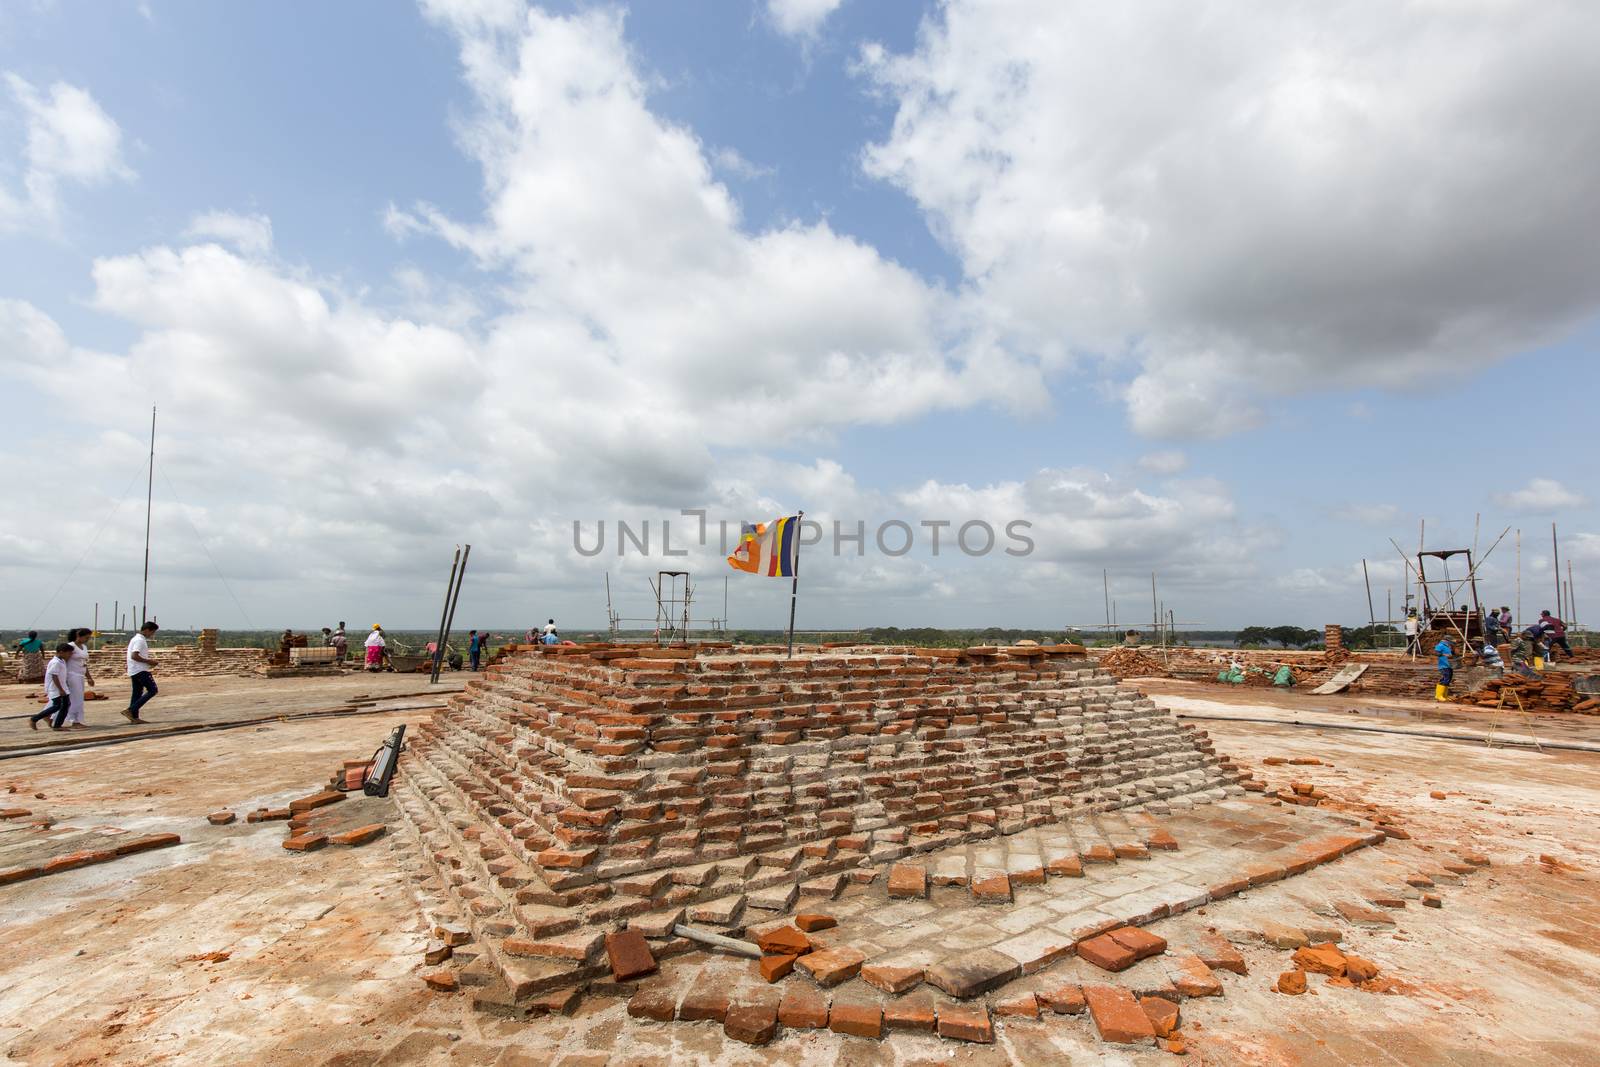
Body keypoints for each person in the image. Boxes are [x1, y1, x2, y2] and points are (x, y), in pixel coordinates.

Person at [30, 643, 76, 730]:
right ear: (62, 652)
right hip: (56, 688)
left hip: (63, 687)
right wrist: (61, 689)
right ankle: (34, 719)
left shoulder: (61, 661)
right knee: (57, 706)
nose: (70, 655)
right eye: (69, 653)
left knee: (65, 705)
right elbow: (54, 676)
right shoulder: (55, 662)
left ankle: (57, 725)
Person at [125, 621, 160, 722]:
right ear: (147, 630)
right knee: (153, 690)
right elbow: (134, 655)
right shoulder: (139, 640)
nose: (152, 635)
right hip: (140, 670)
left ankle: (134, 717)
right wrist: (149, 661)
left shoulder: (135, 639)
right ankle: (131, 710)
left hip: (134, 670)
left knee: (137, 693)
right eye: (152, 632)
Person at [64, 627, 95, 729]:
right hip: (72, 674)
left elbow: (84, 663)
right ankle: (74, 721)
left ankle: (76, 719)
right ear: (79, 636)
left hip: (80, 674)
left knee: (79, 698)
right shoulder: (71, 646)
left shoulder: (84, 647)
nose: (87, 639)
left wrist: (89, 677)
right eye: (86, 637)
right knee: (75, 698)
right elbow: (64, 661)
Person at [1433, 638, 1454, 702]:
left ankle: (1444, 695)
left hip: (1449, 665)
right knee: (1445, 679)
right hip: (1443, 665)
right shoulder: (1440, 645)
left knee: (1448, 679)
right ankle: (1439, 696)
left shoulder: (1447, 646)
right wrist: (1444, 654)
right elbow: (1436, 653)